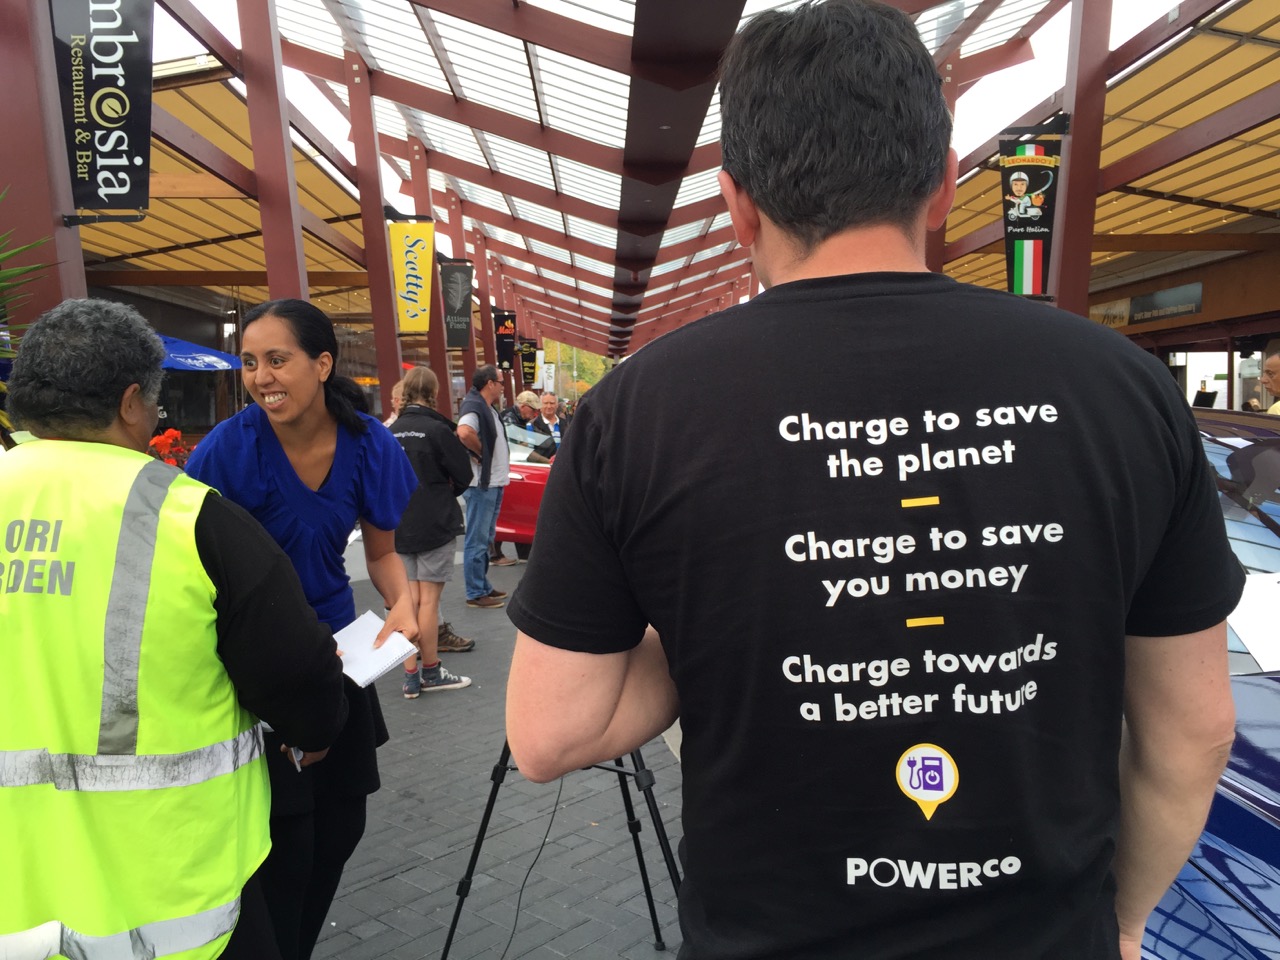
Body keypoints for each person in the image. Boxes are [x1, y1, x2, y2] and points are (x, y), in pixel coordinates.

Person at [505, 3, 1243, 959]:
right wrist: (1125, 920)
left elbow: (551, 732)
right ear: (941, 185)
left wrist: (725, 624)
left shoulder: (636, 410)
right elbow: (1195, 733)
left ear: (737, 204)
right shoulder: (1124, 387)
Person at [1, 299, 348, 960]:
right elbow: (301, 681)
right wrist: (317, 730)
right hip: (171, 904)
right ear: (132, 402)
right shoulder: (193, 520)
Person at [185, 298, 418, 960]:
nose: (261, 377)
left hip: (340, 657)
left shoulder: (369, 442)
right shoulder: (228, 449)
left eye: (277, 360)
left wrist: (404, 603)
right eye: (250, 362)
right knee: (284, 841)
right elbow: (191, 562)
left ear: (322, 364)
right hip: (257, 665)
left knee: (342, 822)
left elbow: (381, 553)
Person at [389, 365, 476, 695]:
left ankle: (410, 676)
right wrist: (445, 491)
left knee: (407, 602)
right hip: (435, 521)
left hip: (399, 524)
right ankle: (431, 670)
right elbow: (464, 475)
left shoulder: (391, 431)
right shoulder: (439, 430)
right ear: (434, 393)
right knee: (428, 603)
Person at [456, 364, 510, 609]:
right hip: (481, 484)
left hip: (490, 482)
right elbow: (464, 432)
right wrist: (482, 453)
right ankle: (476, 591)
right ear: (490, 383)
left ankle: (482, 586)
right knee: (477, 539)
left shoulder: (484, 407)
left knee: (484, 537)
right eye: (500, 382)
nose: (503, 386)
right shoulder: (475, 405)